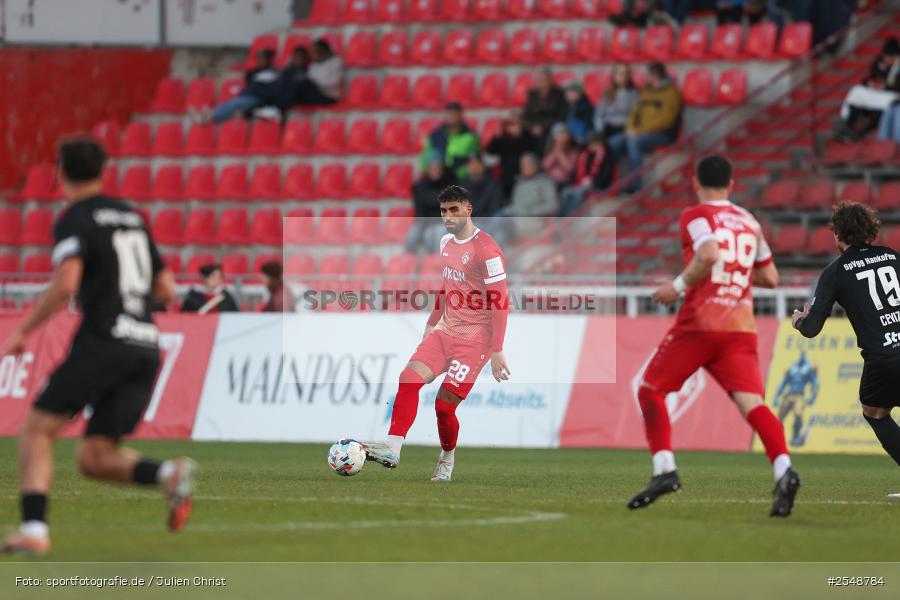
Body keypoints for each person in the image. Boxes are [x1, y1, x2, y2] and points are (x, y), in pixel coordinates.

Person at [1, 138, 195, 555]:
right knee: (95, 456)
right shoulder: (133, 217)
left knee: (37, 429)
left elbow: (66, 284)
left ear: (60, 174)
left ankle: (33, 530)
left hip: (104, 339)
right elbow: (166, 288)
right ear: (104, 171)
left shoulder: (75, 217)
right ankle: (168, 474)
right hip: (145, 345)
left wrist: (24, 331)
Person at [628, 155, 799, 518]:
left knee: (650, 391)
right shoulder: (749, 222)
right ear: (732, 185)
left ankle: (664, 470)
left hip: (702, 323)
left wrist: (676, 286)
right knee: (753, 404)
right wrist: (736, 276)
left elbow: (708, 253)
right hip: (740, 327)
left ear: (695, 182)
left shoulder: (695, 215)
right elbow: (771, 278)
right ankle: (784, 469)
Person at [364, 185, 510, 482]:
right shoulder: (445, 242)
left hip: (475, 340)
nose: (447, 216)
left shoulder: (487, 251)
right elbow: (447, 286)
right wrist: (432, 321)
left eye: (454, 210)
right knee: (408, 379)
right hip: (445, 331)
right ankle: (393, 448)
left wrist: (497, 349)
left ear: (468, 209)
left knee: (444, 408)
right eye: (443, 211)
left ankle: (447, 456)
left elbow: (500, 301)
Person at [792, 202, 900, 492]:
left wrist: (798, 321)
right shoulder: (892, 257)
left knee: (875, 412)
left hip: (884, 357)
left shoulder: (836, 271)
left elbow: (812, 329)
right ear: (870, 229)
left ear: (837, 235)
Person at [607, 62, 683, 193]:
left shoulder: (672, 94)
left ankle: (635, 185)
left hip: (662, 135)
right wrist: (630, 128)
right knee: (611, 143)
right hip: (637, 132)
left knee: (634, 142)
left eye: (646, 74)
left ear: (654, 75)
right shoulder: (646, 92)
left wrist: (638, 131)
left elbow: (665, 121)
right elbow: (633, 113)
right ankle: (608, 183)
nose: (643, 77)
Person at [209, 48, 280, 123]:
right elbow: (249, 81)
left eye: (261, 58)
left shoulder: (272, 73)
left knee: (235, 104)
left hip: (258, 99)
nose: (258, 60)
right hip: (248, 96)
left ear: (267, 60)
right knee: (229, 103)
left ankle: (212, 117)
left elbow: (270, 92)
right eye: (258, 58)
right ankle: (210, 114)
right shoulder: (256, 72)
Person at [485, 110, 542, 200]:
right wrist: (497, 136)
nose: (513, 126)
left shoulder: (528, 136)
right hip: (507, 178)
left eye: (517, 123)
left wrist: (518, 138)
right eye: (511, 123)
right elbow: (490, 150)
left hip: (525, 177)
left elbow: (534, 153)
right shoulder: (503, 137)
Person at [406, 155, 456, 253]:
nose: (435, 170)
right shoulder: (421, 186)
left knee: (435, 234)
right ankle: (409, 264)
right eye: (432, 168)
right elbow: (420, 211)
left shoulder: (449, 185)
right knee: (412, 234)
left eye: (437, 167)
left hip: (443, 224)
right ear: (428, 169)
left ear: (442, 168)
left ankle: (437, 263)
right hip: (426, 223)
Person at [420, 102, 480, 181]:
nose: (451, 117)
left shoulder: (471, 137)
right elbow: (426, 160)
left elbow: (475, 161)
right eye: (449, 114)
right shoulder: (434, 136)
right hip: (439, 179)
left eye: (455, 114)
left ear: (461, 115)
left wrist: (457, 174)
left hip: (461, 180)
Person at [559, 132, 613, 217]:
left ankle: (569, 218)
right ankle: (561, 218)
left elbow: (606, 176)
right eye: (590, 143)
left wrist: (592, 183)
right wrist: (575, 183)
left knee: (579, 192)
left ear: (600, 143)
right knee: (565, 192)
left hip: (598, 187)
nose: (590, 146)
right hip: (582, 184)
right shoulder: (585, 154)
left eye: (593, 143)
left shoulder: (608, 156)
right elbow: (577, 172)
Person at [593, 64, 639, 140]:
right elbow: (599, 115)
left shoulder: (634, 93)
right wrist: (600, 131)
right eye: (620, 74)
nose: (623, 77)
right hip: (610, 128)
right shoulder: (608, 92)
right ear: (614, 76)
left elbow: (637, 113)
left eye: (626, 73)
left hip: (628, 128)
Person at [293, 38, 343, 106]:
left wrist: (314, 84)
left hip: (329, 96)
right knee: (293, 80)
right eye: (311, 52)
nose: (312, 55)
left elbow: (334, 82)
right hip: (314, 94)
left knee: (302, 84)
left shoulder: (337, 62)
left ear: (324, 51)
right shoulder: (313, 65)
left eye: (315, 52)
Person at [523, 68, 567, 142]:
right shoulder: (532, 94)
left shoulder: (559, 94)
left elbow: (561, 115)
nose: (540, 82)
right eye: (538, 79)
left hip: (551, 125)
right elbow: (527, 114)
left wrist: (543, 126)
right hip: (535, 126)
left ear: (550, 80)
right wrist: (532, 127)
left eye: (543, 79)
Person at [460, 153, 503, 220]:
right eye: (470, 164)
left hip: (487, 222)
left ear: (483, 166)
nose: (474, 167)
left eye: (477, 163)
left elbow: (495, 209)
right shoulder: (462, 186)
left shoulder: (492, 184)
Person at [541, 123, 580, 189]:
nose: (563, 136)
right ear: (554, 137)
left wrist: (559, 153)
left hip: (566, 183)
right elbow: (544, 166)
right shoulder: (550, 148)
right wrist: (555, 152)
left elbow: (569, 168)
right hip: (550, 183)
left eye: (565, 133)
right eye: (560, 134)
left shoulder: (573, 149)